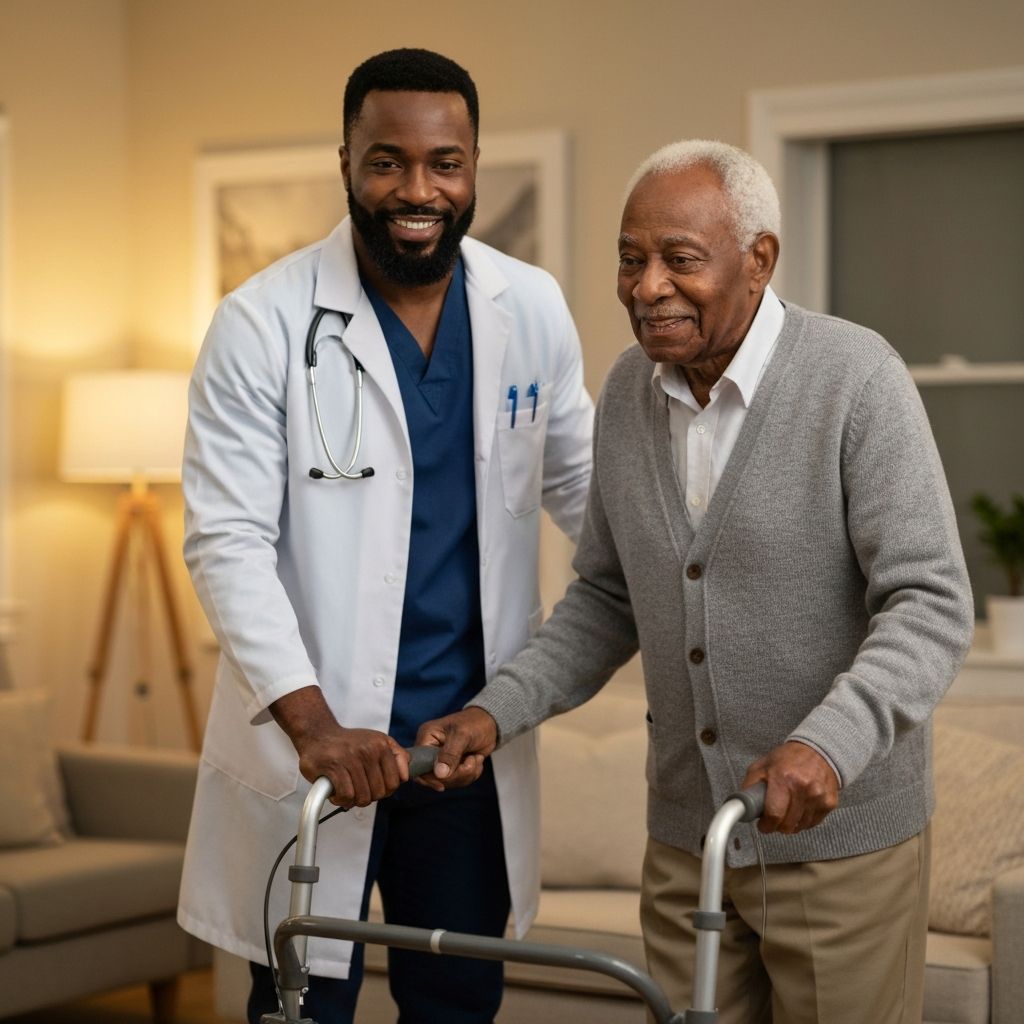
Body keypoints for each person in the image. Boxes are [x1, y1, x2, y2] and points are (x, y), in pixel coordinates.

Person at [417, 140, 974, 1024]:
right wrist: (496, 710)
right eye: (631, 259)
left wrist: (826, 744)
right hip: (688, 843)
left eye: (680, 259)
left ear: (759, 262)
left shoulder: (855, 377)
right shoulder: (630, 392)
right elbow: (606, 597)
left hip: (837, 849)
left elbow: (931, 603)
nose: (647, 287)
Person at [177, 48, 593, 1024]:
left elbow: (591, 501)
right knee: (298, 1003)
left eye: (444, 162)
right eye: (387, 160)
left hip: (460, 755)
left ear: (474, 164)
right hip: (318, 755)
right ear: (346, 164)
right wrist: (315, 727)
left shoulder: (527, 306)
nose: (418, 188)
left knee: (455, 1001)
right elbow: (226, 543)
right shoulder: (261, 323)